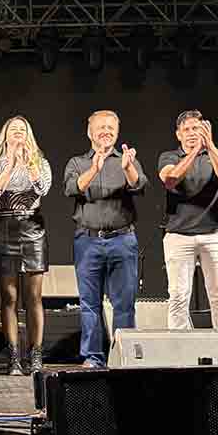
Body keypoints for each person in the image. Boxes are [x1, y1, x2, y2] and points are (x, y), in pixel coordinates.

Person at [63, 110, 147, 368]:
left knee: (124, 304)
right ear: (90, 132)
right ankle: (93, 357)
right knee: (90, 303)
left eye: (111, 127)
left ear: (117, 132)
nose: (106, 131)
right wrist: (94, 168)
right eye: (101, 127)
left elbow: (139, 186)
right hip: (88, 241)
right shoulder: (77, 162)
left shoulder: (127, 160)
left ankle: (123, 358)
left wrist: (128, 168)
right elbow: (72, 188)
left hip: (122, 240)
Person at [158, 110, 218, 330]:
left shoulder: (217, 154)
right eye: (187, 129)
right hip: (178, 236)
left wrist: (209, 146)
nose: (192, 133)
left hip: (214, 235)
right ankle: (179, 346)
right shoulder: (169, 157)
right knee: (178, 297)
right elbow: (170, 180)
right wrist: (193, 152)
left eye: (196, 129)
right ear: (178, 134)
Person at [0, 115, 52, 375]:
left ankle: (35, 354)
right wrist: (11, 165)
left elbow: (43, 189)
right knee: (9, 296)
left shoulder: (40, 162)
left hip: (32, 227)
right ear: (5, 136)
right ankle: (13, 356)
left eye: (22, 129)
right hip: (4, 227)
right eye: (13, 129)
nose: (18, 132)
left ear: (29, 136)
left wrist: (29, 165)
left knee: (34, 296)